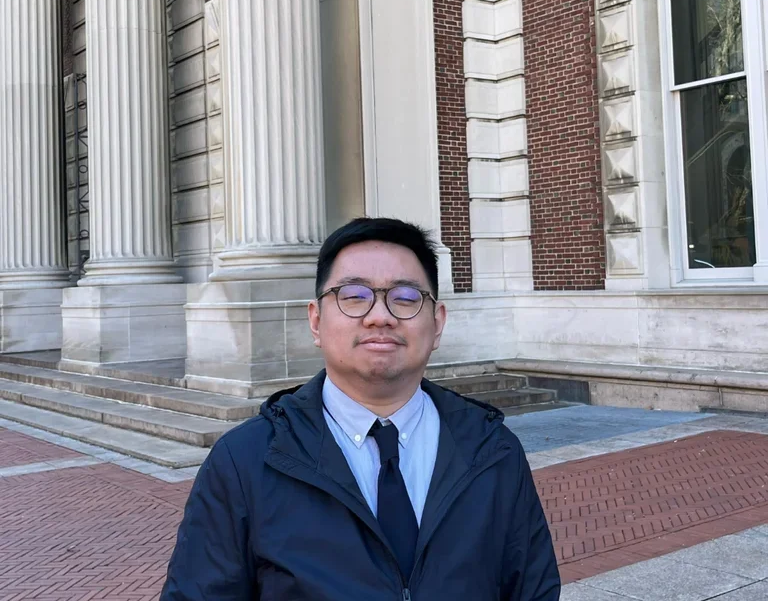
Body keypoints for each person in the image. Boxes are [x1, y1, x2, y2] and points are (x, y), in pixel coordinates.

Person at [161, 217, 561, 600]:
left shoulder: (493, 452)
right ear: (316, 321)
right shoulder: (244, 463)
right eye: (354, 297)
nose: (380, 317)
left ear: (437, 323)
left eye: (405, 298)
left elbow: (532, 588)